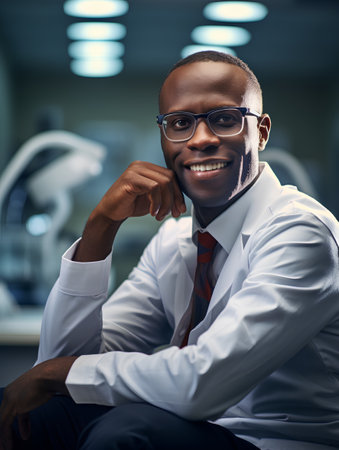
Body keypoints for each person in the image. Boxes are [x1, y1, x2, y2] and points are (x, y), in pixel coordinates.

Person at [0, 50, 339, 450]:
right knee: (32, 413)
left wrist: (54, 375)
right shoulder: (175, 242)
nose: (201, 139)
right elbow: (61, 365)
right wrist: (100, 227)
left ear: (261, 132)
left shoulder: (301, 232)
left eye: (225, 119)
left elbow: (203, 383)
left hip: (272, 441)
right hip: (196, 429)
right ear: (163, 136)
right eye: (180, 123)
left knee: (127, 432)